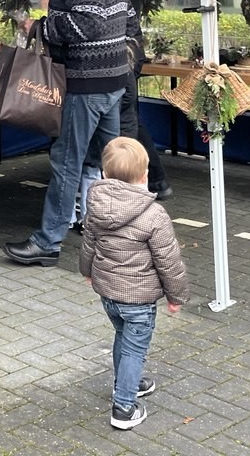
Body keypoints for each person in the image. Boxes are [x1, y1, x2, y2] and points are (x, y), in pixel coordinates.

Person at [3, 0, 134, 267]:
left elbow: (88, 24)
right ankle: (120, 235)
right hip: (114, 81)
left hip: (86, 83)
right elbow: (129, 20)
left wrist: (40, 26)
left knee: (66, 163)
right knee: (110, 163)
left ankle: (48, 242)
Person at [79, 137, 187, 430]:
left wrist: (87, 271)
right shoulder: (154, 214)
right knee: (134, 348)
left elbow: (88, 244)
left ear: (104, 174)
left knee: (122, 336)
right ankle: (124, 407)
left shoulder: (96, 206)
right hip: (139, 299)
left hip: (108, 295)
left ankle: (125, 382)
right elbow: (169, 261)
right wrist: (176, 296)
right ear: (144, 176)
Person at [94, 0, 173, 200]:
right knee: (130, 121)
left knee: (126, 125)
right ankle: (156, 181)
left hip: (122, 57)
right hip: (130, 53)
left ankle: (130, 189)